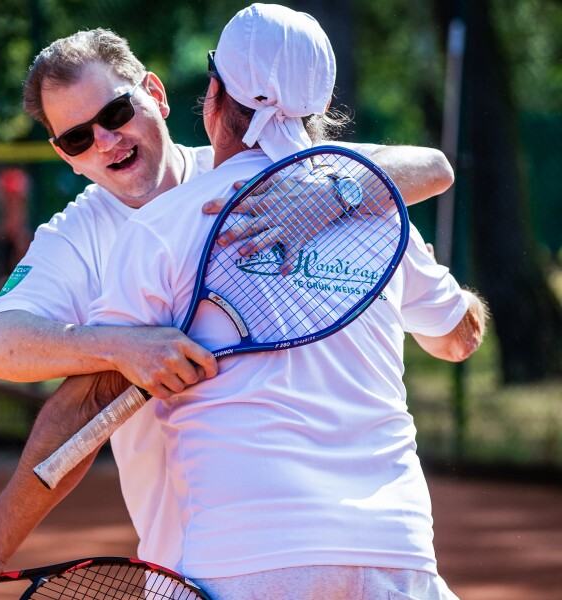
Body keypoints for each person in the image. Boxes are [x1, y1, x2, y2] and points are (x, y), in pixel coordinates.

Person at [0, 23, 460, 600]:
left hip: (233, 559)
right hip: (203, 556)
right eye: (78, 138)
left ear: (157, 94)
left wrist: (327, 196)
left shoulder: (291, 179)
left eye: (115, 113)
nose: (105, 141)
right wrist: (122, 346)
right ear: (64, 156)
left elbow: (430, 167)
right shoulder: (80, 234)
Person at [85, 4, 487, 599]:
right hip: (395, 553)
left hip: (243, 559)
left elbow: (89, 397)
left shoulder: (160, 227)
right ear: (320, 107)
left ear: (214, 94)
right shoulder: (379, 210)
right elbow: (459, 338)